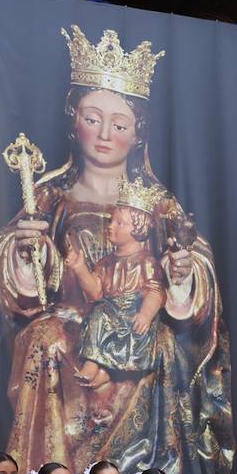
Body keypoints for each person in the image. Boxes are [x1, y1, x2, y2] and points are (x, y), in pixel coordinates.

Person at [0, 24, 233, 474]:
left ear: (139, 131)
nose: (107, 134)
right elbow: (14, 274)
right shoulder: (50, 195)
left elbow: (192, 262)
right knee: (45, 340)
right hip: (72, 322)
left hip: (137, 326)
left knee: (159, 347)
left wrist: (182, 273)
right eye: (94, 119)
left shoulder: (159, 203)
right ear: (75, 124)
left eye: (120, 123)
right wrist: (30, 251)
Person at [66, 180, 168, 425]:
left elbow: (156, 291)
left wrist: (145, 314)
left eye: (119, 222)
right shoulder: (105, 263)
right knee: (96, 314)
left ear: (138, 228)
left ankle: (104, 371)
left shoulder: (146, 261)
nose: (110, 226)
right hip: (110, 310)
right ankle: (96, 366)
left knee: (104, 317)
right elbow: (96, 292)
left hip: (133, 315)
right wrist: (80, 268)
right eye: (111, 220)